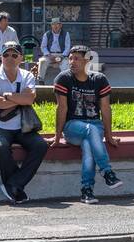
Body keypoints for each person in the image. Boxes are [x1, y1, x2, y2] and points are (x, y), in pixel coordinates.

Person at [51, 44, 122, 203]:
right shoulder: (64, 78)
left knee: (89, 145)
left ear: (87, 60)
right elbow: (61, 109)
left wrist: (109, 135)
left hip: (95, 126)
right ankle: (106, 171)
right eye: (70, 58)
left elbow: (105, 109)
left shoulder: (99, 79)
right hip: (72, 127)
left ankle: (87, 190)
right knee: (90, 130)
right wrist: (57, 137)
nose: (72, 62)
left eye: (76, 58)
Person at [0, 41, 49, 204]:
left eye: (14, 55)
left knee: (41, 145)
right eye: (6, 55)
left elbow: (30, 99)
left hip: (22, 126)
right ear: (1, 57)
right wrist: (19, 99)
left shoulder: (26, 75)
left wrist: (7, 97)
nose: (10, 58)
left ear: (21, 58)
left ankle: (14, 184)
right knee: (1, 148)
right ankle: (15, 187)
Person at [38, 17, 72, 83]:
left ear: (61, 25)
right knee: (42, 61)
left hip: (61, 55)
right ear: (51, 26)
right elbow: (43, 47)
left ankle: (64, 82)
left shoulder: (66, 34)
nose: (55, 26)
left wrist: (61, 57)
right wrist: (49, 55)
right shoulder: (47, 34)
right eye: (53, 24)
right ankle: (41, 80)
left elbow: (67, 47)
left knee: (66, 64)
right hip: (49, 55)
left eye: (57, 24)